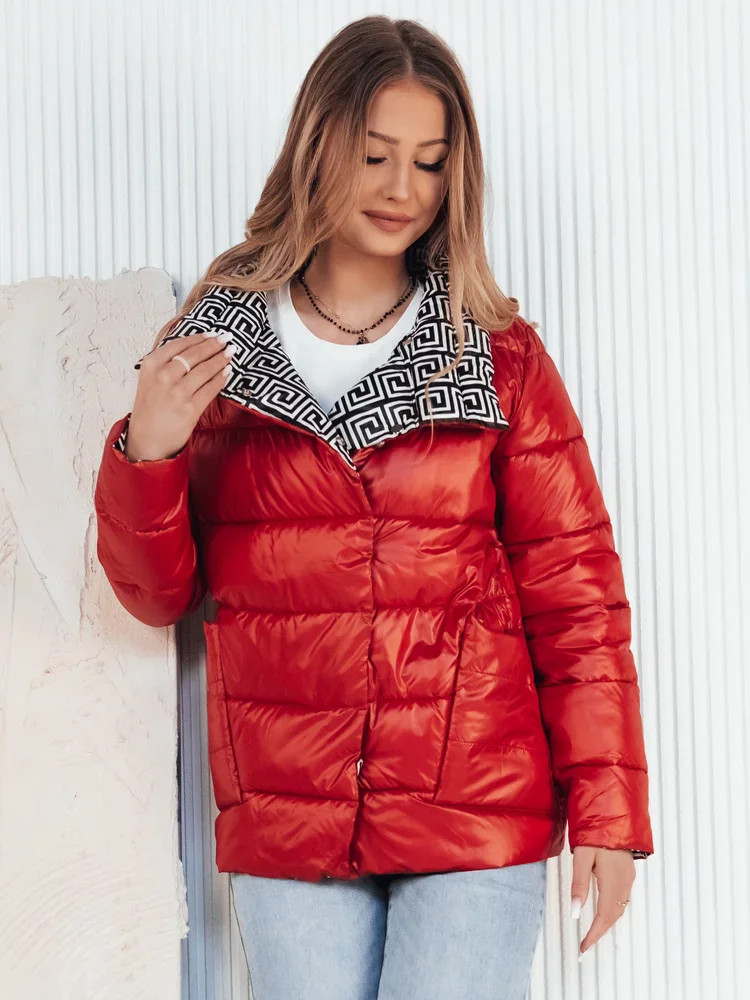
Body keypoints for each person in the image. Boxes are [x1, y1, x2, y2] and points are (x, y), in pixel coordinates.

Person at [93, 15, 654, 1000]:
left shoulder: (495, 353)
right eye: (375, 154)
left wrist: (607, 812)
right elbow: (156, 595)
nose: (403, 189)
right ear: (319, 147)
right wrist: (151, 448)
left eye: (430, 162)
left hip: (474, 799)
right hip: (288, 810)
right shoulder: (215, 341)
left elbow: (577, 600)